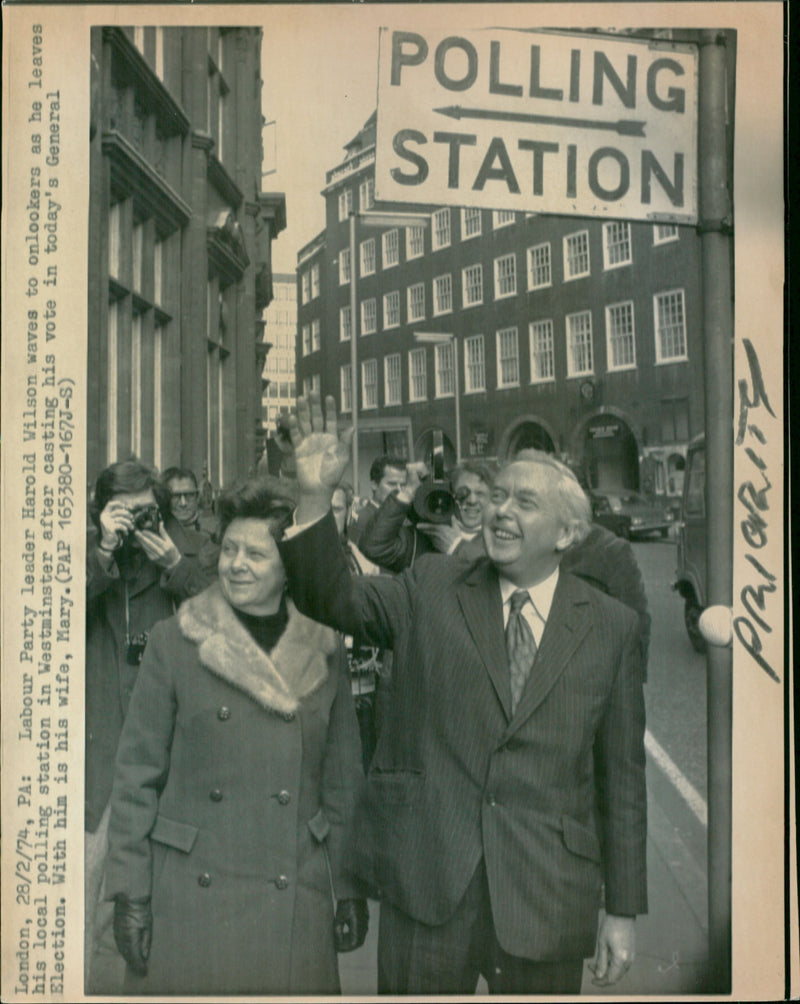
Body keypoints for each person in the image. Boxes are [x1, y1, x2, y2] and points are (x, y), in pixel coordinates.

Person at [279, 394, 647, 996]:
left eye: (524, 503)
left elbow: (623, 778)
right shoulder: (433, 584)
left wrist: (623, 909)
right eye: (499, 496)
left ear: (568, 533)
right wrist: (316, 496)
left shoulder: (610, 627)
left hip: (544, 898)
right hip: (429, 883)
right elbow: (331, 597)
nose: (499, 512)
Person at [103, 477, 368, 996]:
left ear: (289, 566)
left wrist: (350, 886)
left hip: (295, 894)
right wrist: (131, 894)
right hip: (192, 896)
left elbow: (342, 780)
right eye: (229, 549)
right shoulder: (174, 640)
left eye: (255, 554)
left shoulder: (324, 646)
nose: (236, 564)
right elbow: (136, 776)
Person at [85, 459, 211, 990]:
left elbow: (224, 623)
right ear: (101, 512)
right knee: (85, 911)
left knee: (157, 920)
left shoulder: (186, 555)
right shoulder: (88, 559)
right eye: (125, 513)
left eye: (145, 513)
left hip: (167, 767)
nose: (137, 526)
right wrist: (103, 551)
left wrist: (177, 565)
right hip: (97, 767)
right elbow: (50, 617)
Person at [332, 482, 385, 771]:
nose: (329, 518)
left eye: (336, 509)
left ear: (349, 511)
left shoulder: (361, 558)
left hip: (361, 688)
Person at [359, 459, 494, 571]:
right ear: (450, 493)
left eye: (480, 493)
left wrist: (456, 546)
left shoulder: (497, 538)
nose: (472, 501)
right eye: (463, 492)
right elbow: (374, 547)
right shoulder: (426, 535)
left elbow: (495, 573)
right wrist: (408, 492)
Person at [348, 454, 407, 548]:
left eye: (403, 485)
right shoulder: (361, 520)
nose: (399, 490)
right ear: (374, 484)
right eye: (392, 484)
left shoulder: (405, 518)